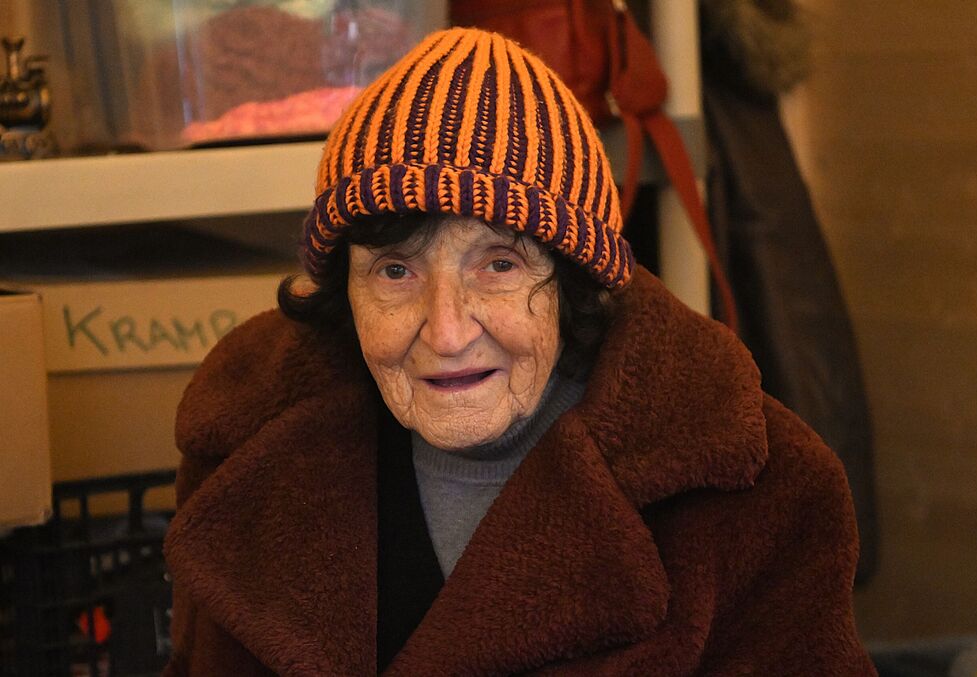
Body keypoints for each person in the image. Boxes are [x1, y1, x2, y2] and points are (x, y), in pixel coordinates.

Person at [163, 27, 875, 676]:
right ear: (344, 294)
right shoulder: (245, 455)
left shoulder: (757, 498)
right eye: (396, 271)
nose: (446, 332)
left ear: (572, 281)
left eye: (499, 264)